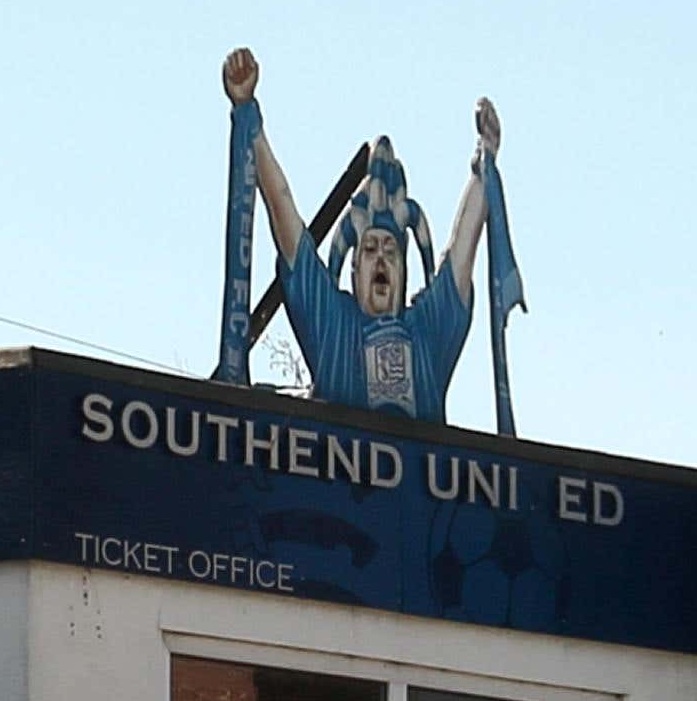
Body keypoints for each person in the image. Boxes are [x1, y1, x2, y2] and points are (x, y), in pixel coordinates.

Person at [214, 48, 525, 430]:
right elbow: (285, 216)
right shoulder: (333, 325)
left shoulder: (428, 333)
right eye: (371, 249)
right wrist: (248, 115)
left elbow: (461, 254)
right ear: (354, 267)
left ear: (404, 267)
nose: (380, 259)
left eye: (391, 251)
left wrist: (485, 161)